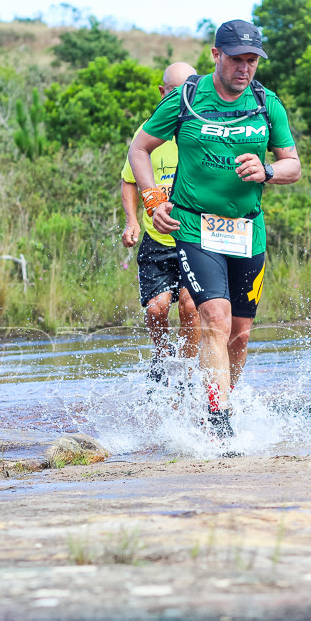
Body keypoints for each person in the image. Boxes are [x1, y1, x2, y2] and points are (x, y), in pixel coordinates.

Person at [128, 20, 301, 438]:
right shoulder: (187, 98)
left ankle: (220, 398)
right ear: (216, 55)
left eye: (252, 61)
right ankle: (219, 421)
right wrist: (152, 201)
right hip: (194, 226)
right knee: (214, 318)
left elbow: (293, 165)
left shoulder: (266, 102)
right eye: (238, 59)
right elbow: (139, 149)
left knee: (239, 335)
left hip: (247, 232)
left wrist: (268, 170)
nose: (245, 68)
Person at [120, 62, 200, 385]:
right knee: (156, 310)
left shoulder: (201, 128)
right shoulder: (148, 132)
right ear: (162, 93)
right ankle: (163, 358)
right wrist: (131, 221)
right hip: (156, 240)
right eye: (174, 92)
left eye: (187, 91)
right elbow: (129, 181)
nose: (180, 99)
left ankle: (187, 372)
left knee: (190, 309)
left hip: (193, 238)